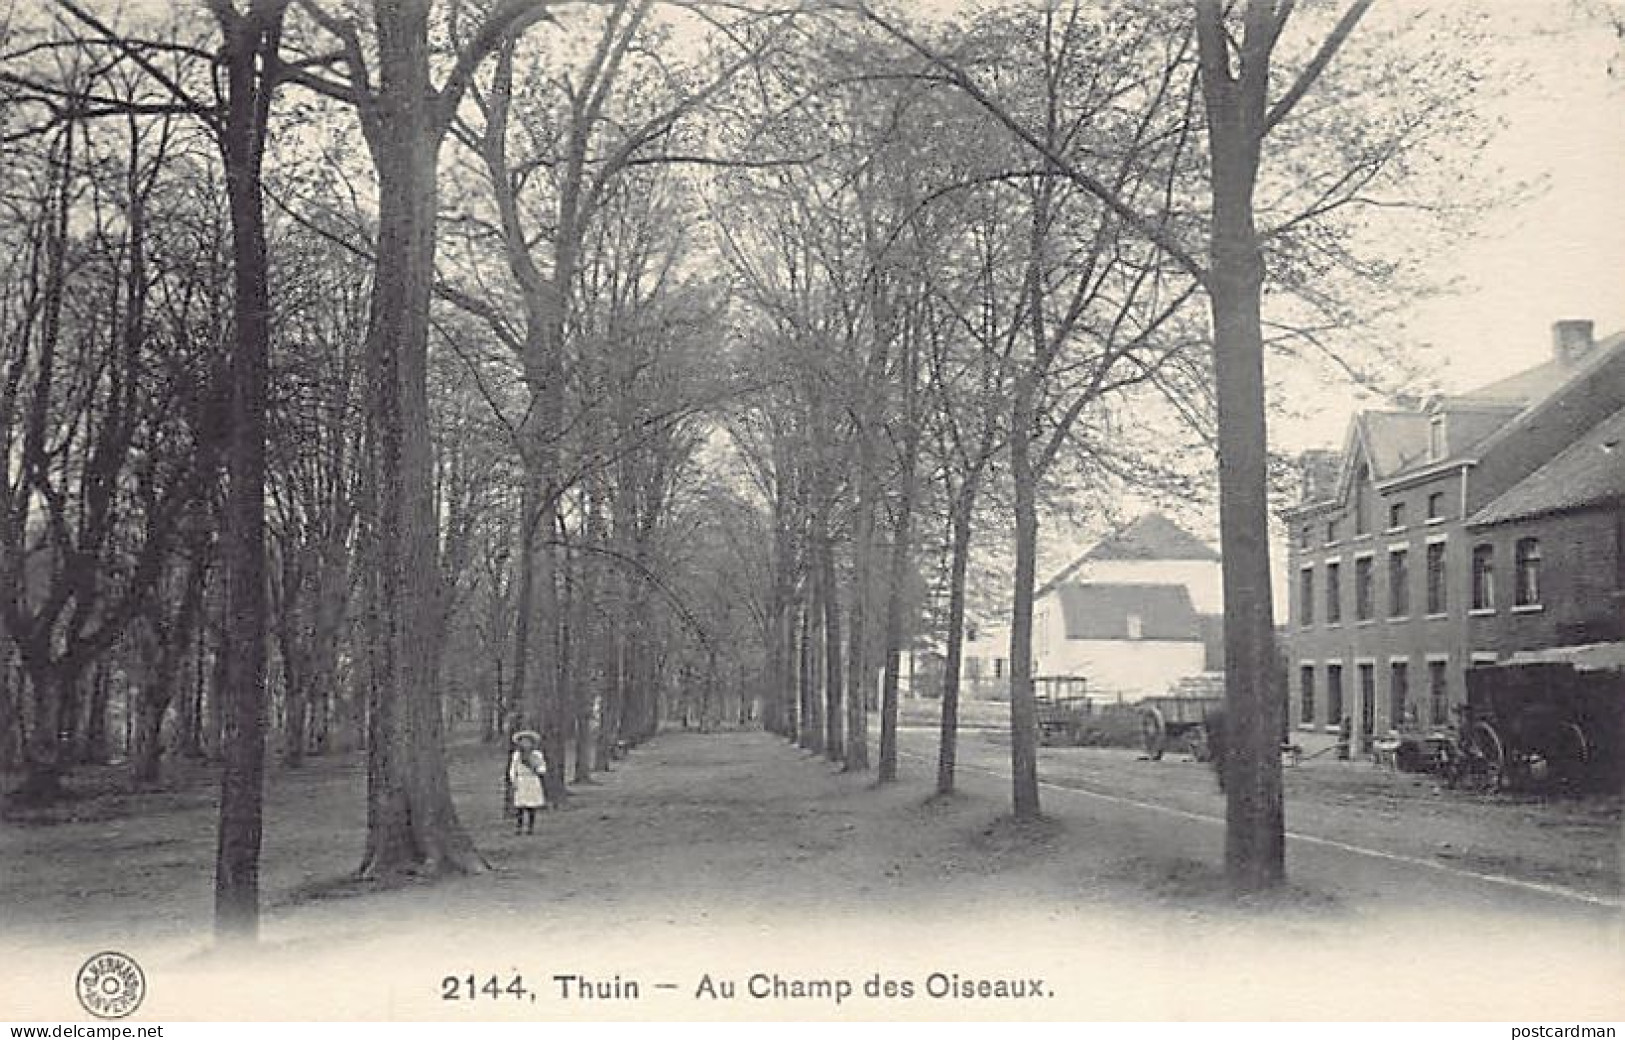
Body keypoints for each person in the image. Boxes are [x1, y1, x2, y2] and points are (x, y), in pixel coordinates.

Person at [507, 730, 547, 835]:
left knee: (531, 805)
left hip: (532, 780)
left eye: (527, 741)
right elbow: (513, 769)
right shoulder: (517, 755)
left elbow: (542, 768)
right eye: (523, 741)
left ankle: (530, 827)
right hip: (521, 780)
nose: (525, 744)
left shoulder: (537, 755)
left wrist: (537, 768)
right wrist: (513, 781)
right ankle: (519, 827)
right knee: (520, 805)